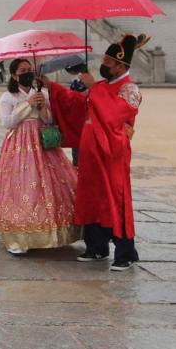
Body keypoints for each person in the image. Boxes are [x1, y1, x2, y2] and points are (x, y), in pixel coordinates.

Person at [43, 34, 149, 272]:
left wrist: (92, 87)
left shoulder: (130, 90)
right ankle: (97, 246)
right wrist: (53, 88)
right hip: (90, 152)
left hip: (112, 154)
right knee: (90, 198)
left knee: (115, 199)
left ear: (122, 66)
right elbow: (78, 106)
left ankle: (126, 252)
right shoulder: (101, 87)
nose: (104, 66)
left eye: (109, 63)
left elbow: (113, 116)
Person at [0, 59, 80, 255]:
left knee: (49, 182)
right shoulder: (8, 96)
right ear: (14, 75)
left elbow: (49, 120)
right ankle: (19, 235)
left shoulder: (41, 93)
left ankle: (51, 230)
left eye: (29, 70)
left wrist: (42, 108)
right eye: (23, 70)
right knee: (22, 184)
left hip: (42, 141)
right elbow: (8, 123)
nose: (27, 73)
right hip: (20, 145)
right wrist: (26, 105)